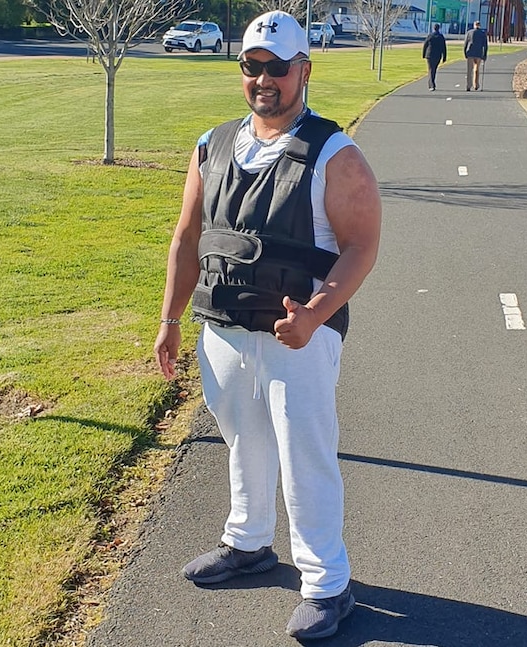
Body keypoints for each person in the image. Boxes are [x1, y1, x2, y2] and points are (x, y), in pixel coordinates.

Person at [153, 9, 382, 642]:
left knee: (305, 455)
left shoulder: (336, 154)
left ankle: (327, 584)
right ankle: (248, 543)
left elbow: (362, 244)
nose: (264, 80)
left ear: (303, 71)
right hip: (224, 329)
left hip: (297, 338)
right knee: (243, 441)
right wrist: (170, 318)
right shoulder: (214, 143)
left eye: (278, 68)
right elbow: (187, 235)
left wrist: (315, 315)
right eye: (253, 66)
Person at [463, 20, 488, 91]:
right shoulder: (482, 33)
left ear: (474, 25)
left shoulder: (469, 32)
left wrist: (465, 52)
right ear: (479, 25)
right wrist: (485, 55)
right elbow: (485, 45)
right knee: (476, 69)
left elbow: (465, 43)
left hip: (470, 52)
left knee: (469, 70)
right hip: (478, 53)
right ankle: (476, 84)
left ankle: (468, 85)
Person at [422, 23, 447, 91]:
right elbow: (444, 47)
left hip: (429, 55)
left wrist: (424, 54)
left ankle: (431, 84)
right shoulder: (441, 36)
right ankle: (432, 83)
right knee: (434, 69)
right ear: (439, 28)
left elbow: (425, 45)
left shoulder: (430, 36)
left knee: (430, 69)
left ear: (433, 28)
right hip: (437, 55)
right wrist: (444, 57)